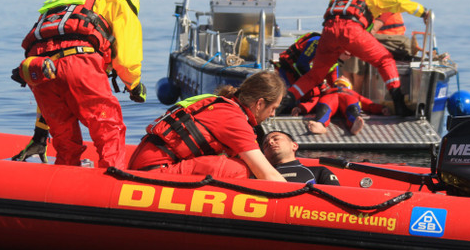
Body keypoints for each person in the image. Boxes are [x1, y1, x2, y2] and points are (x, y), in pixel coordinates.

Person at [15, 0, 146, 169]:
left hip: (39, 67)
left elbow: (49, 57)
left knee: (65, 141)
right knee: (108, 128)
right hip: (80, 62)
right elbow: (128, 59)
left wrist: (40, 132)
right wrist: (134, 85)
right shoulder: (118, 1)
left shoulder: (68, 2)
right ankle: (111, 182)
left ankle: (63, 186)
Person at [282, 0, 430, 117]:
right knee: (385, 61)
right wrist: (424, 13)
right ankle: (399, 104)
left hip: (328, 32)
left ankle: (284, 102)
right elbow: (401, 3)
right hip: (351, 31)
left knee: (315, 75)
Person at [128, 71, 287, 182]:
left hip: (147, 163)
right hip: (153, 172)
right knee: (241, 169)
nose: (273, 114)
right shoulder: (233, 119)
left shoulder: (223, 104)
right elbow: (265, 174)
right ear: (259, 104)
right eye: (273, 108)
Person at [342, 0, 409, 94]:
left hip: (392, 39)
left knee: (357, 46)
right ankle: (348, 92)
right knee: (351, 44)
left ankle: (356, 93)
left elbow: (374, 28)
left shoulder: (386, 1)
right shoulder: (366, 2)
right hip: (375, 38)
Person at [292, 76, 390, 135]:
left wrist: (381, 109)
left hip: (347, 100)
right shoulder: (328, 92)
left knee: (352, 105)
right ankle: (320, 124)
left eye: (344, 80)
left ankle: (354, 125)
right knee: (325, 104)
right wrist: (301, 108)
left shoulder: (353, 94)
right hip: (331, 99)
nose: (342, 76)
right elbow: (313, 102)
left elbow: (368, 104)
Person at [262, 130, 339, 185]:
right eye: (265, 144)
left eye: (276, 139)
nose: (270, 142)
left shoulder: (319, 172)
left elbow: (337, 199)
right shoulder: (258, 175)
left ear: (294, 146)